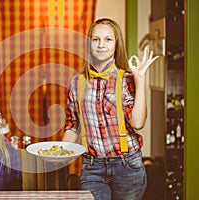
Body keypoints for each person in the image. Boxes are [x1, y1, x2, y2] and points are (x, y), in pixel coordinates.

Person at [62, 18, 159, 200]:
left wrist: (140, 81)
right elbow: (72, 125)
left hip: (127, 165)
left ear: (116, 44)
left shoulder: (127, 79)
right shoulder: (76, 83)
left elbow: (138, 122)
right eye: (95, 39)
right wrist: (61, 152)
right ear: (89, 43)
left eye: (108, 39)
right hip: (92, 166)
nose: (101, 45)